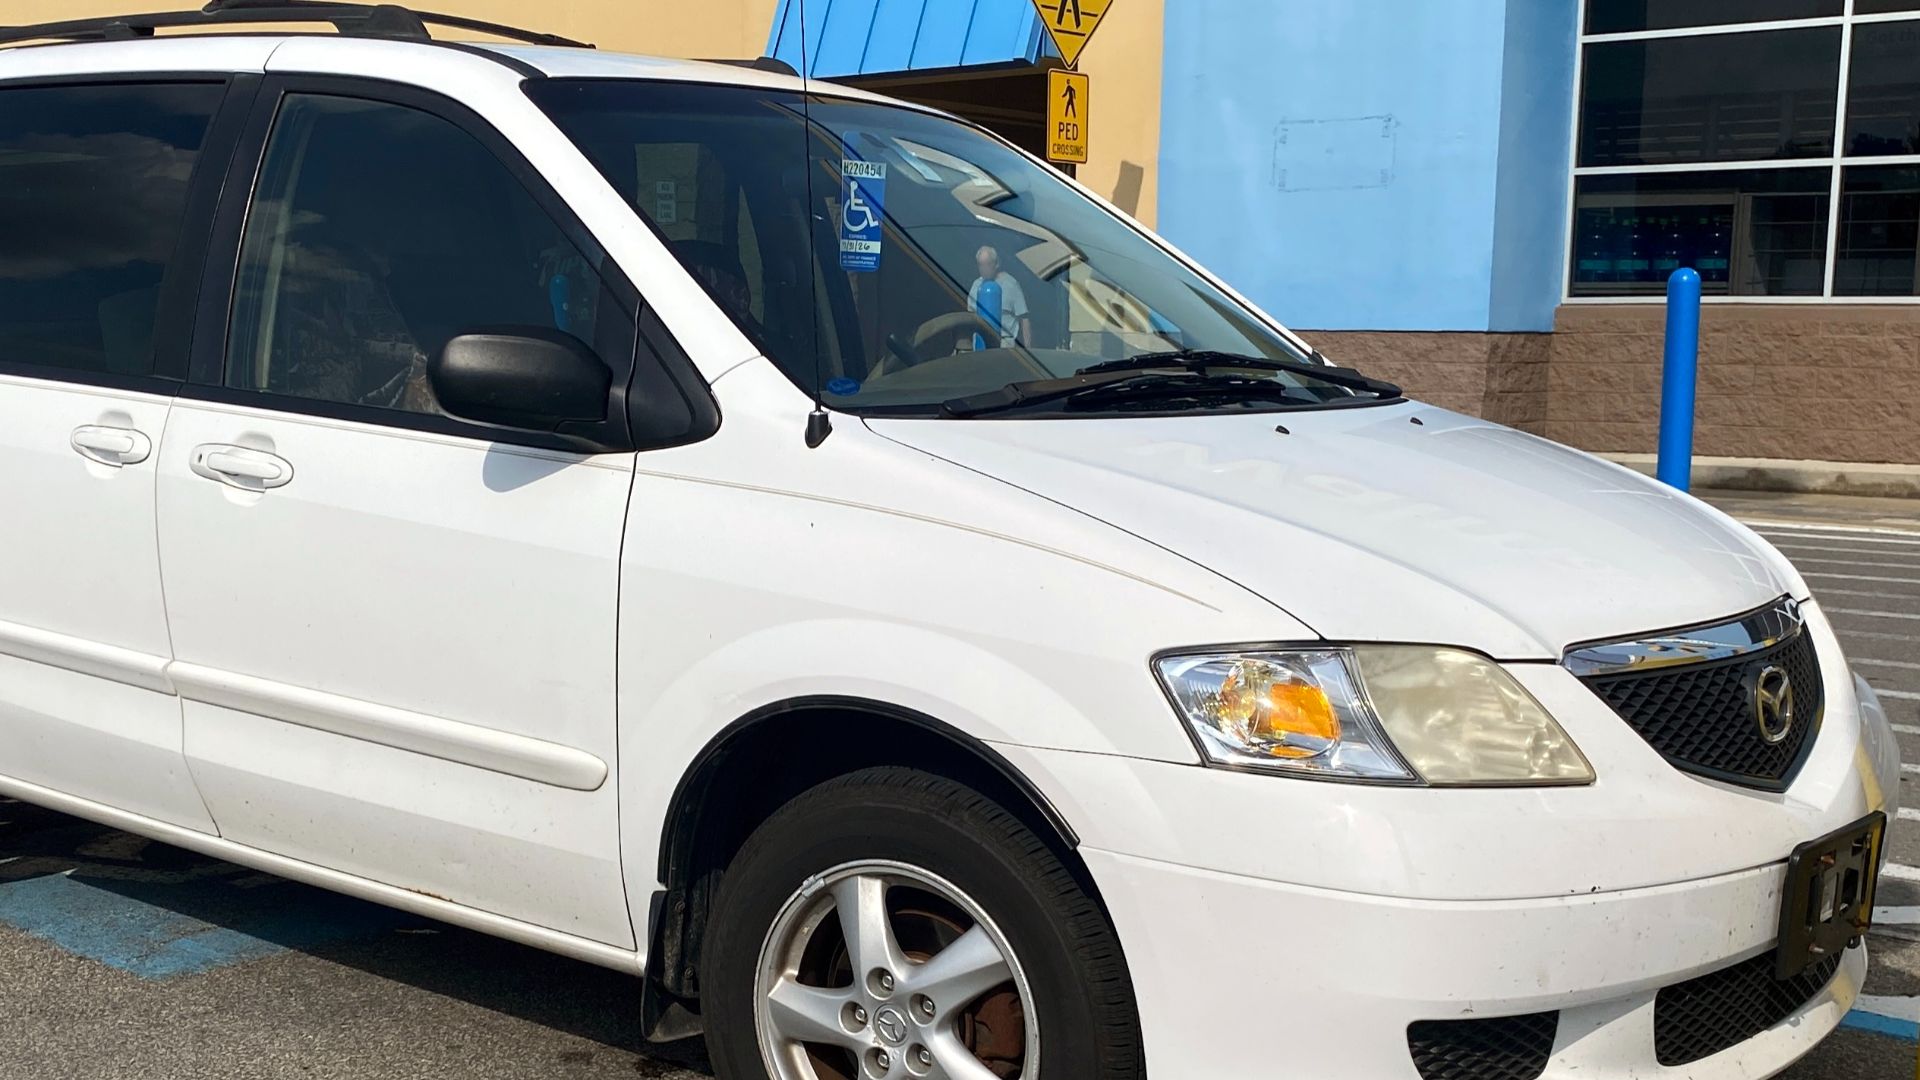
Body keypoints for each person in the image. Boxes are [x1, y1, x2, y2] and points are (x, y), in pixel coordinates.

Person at [966, 244, 1029, 348]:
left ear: (996, 264)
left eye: (987, 264)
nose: (983, 268)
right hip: (981, 341)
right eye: (980, 265)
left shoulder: (1011, 285)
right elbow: (970, 316)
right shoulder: (976, 285)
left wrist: (1028, 349)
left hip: (1005, 342)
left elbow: (1024, 318)